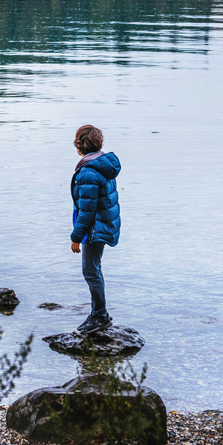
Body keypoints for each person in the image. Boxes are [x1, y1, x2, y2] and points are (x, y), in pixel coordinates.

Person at [70, 124, 121, 335]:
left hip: (94, 227)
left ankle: (100, 316)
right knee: (95, 268)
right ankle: (97, 314)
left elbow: (87, 210)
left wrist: (76, 236)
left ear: (80, 145)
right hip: (103, 223)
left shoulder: (89, 171)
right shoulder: (102, 164)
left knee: (90, 271)